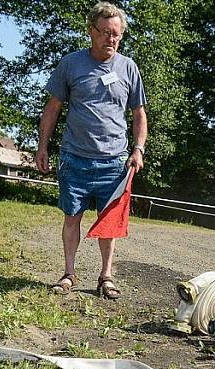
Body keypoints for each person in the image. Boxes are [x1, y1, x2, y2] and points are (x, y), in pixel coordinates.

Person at [36, 1, 148, 299]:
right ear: (91, 32)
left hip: (115, 161)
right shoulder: (71, 64)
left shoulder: (128, 67)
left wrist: (138, 148)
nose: (112, 39)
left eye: (117, 34)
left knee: (109, 223)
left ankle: (106, 276)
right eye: (106, 33)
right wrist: (42, 147)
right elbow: (53, 108)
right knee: (72, 217)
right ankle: (69, 273)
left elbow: (139, 114)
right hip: (75, 158)